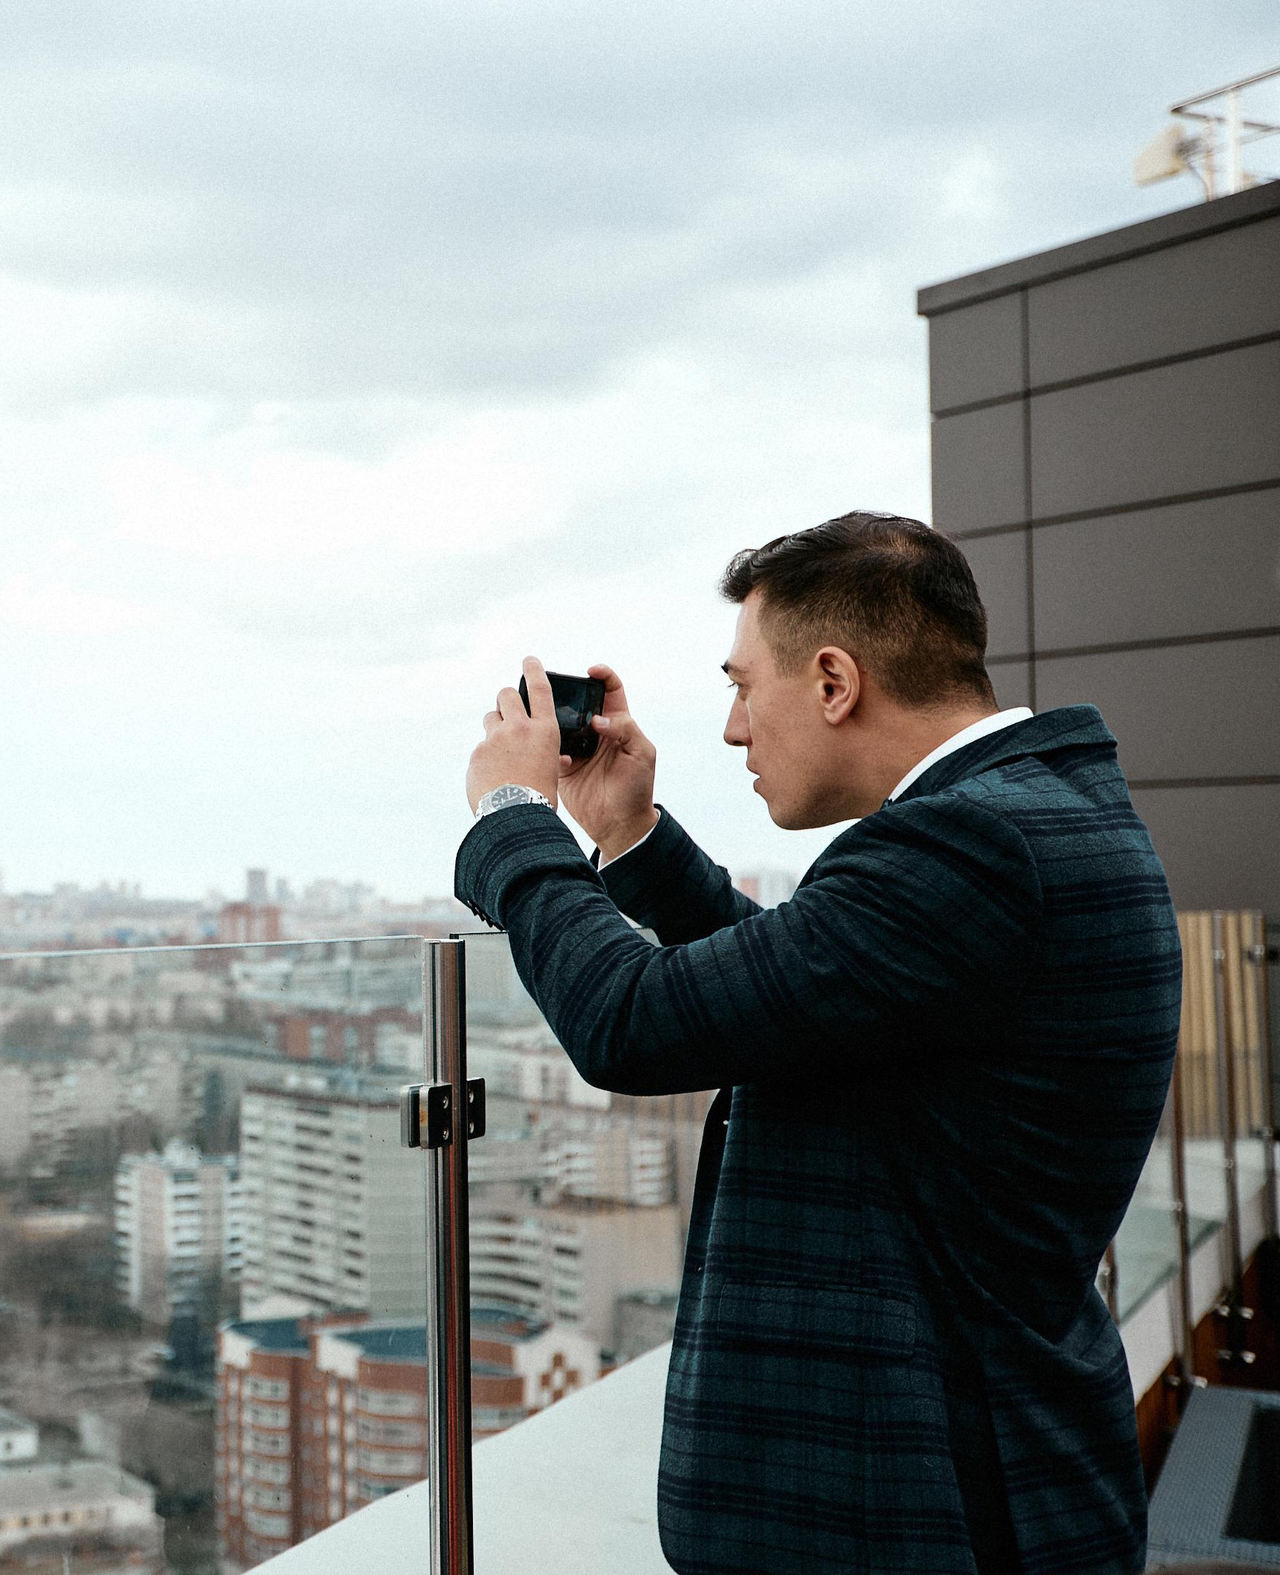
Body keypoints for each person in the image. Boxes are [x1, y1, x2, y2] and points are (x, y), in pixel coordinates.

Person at [456, 511, 1179, 1575]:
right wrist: (632, 838)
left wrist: (512, 817)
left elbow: (632, 1021)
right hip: (974, 1475)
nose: (733, 729)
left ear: (834, 680)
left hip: (913, 1508)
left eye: (744, 685)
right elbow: (817, 1001)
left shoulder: (970, 843)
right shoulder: (1030, 815)